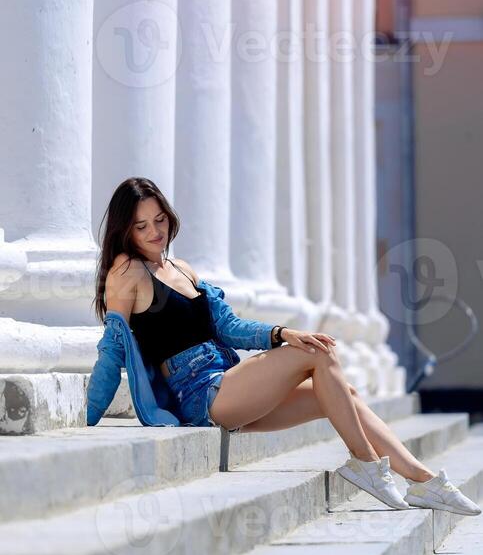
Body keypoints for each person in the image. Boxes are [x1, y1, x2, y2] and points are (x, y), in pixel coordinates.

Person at [93, 177, 481, 517]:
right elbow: (112, 350)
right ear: (126, 231)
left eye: (159, 219)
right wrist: (89, 415)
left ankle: (424, 480)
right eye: (141, 225)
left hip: (228, 382)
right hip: (201, 394)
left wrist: (282, 333)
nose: (154, 231)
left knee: (343, 391)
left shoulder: (181, 269)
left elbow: (229, 327)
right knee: (317, 353)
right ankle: (365, 462)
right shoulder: (127, 272)